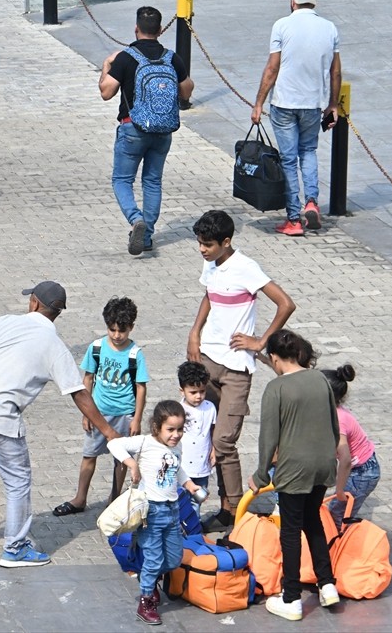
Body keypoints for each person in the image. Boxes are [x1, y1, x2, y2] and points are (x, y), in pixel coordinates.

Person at [0, 281, 122, 567]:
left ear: (34, 303)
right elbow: (79, 393)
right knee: (18, 482)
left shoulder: (5, 321)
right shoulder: (55, 347)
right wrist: (109, 432)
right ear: (57, 313)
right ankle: (14, 548)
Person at [186, 209, 296, 533]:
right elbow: (209, 296)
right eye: (200, 243)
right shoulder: (210, 263)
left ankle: (233, 509)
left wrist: (260, 341)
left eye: (207, 244)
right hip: (208, 359)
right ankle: (222, 506)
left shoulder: (246, 268)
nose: (202, 249)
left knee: (223, 441)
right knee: (206, 434)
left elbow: (286, 303)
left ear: (226, 241)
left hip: (237, 368)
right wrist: (194, 332)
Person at [249, 330, 341, 621]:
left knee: (290, 531)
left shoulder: (276, 388)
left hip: (295, 469)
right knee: (312, 520)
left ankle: (291, 598)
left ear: (274, 358)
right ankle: (327, 584)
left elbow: (268, 438)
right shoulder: (320, 379)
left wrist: (260, 476)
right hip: (323, 464)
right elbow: (334, 426)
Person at [99, 5, 194, 255]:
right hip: (163, 131)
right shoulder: (172, 58)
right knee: (152, 182)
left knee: (122, 180)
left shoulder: (126, 58)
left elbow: (106, 92)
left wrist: (107, 65)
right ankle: (147, 236)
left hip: (132, 128)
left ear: (136, 29)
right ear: (160, 30)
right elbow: (186, 91)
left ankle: (135, 219)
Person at [249, 0, 341, 237]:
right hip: (313, 104)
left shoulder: (282, 25)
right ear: (314, 2)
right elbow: (335, 71)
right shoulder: (330, 28)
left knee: (289, 160)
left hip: (284, 103)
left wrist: (258, 103)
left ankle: (293, 219)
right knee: (308, 151)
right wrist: (333, 104)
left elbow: (272, 68)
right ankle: (311, 201)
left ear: (293, 2)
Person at [108, 401, 206, 626]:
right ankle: (145, 602)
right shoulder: (145, 442)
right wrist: (132, 464)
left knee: (173, 558)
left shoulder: (176, 447)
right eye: (170, 429)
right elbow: (114, 443)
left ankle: (147, 577)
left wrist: (189, 484)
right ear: (156, 427)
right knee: (154, 558)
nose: (176, 435)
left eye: (180, 429)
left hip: (172, 510)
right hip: (150, 512)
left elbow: (177, 469)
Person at [53, 297, 148, 517]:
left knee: (121, 460)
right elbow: (88, 379)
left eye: (122, 330)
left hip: (124, 414)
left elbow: (141, 387)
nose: (116, 335)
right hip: (99, 413)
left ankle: (114, 499)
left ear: (131, 327)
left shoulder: (135, 354)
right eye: (112, 329)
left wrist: (136, 418)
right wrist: (86, 413)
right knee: (89, 455)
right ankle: (80, 498)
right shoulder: (96, 348)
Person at [321, 364, 379, 532]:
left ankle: (341, 545)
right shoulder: (331, 411)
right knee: (336, 513)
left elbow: (345, 459)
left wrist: (339, 490)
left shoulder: (338, 419)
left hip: (362, 472)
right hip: (360, 468)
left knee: (337, 516)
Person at [177, 360, 216, 515]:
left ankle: (194, 525)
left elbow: (212, 430)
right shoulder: (178, 410)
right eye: (193, 392)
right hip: (182, 467)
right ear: (182, 391)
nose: (198, 396)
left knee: (197, 500)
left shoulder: (210, 408)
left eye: (202, 391)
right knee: (180, 500)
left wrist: (214, 449)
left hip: (202, 466)